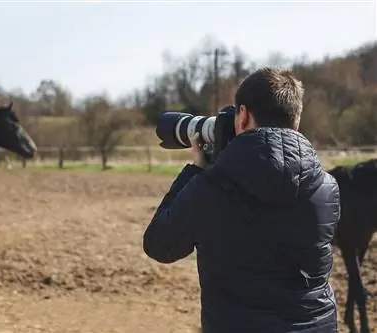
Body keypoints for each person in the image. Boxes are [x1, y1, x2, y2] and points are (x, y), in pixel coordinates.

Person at [143, 67, 340, 333]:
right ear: (297, 119)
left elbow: (159, 244)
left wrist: (196, 169)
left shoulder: (211, 188)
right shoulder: (326, 188)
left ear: (243, 115)